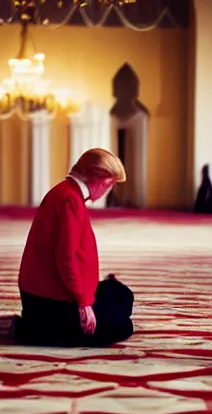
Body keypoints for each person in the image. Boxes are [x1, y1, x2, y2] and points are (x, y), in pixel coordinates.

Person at [11, 148, 134, 347]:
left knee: (121, 295)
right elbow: (65, 258)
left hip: (53, 291)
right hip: (50, 299)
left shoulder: (67, 192)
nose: (108, 190)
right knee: (122, 327)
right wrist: (84, 304)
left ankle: (42, 325)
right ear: (99, 177)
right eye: (110, 184)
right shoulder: (70, 200)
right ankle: (34, 330)